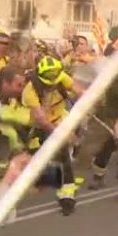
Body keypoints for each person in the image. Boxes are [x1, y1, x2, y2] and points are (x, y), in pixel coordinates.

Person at [72, 54, 118, 205]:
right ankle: (71, 188)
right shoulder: (108, 73)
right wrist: (91, 107)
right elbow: (94, 93)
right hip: (102, 116)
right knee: (87, 151)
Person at [21, 56, 84, 215]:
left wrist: (84, 103)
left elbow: (79, 91)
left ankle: (67, 195)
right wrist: (61, 133)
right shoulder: (30, 90)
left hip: (58, 119)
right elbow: (41, 120)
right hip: (38, 124)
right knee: (34, 153)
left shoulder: (61, 76)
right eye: (48, 84)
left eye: (55, 83)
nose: (52, 86)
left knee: (63, 155)